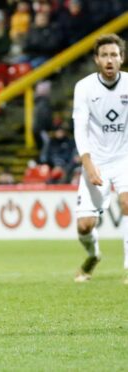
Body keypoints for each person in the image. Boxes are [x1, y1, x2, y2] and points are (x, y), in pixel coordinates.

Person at [72, 34, 128, 284]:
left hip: (125, 157)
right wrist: (88, 164)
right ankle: (93, 255)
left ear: (122, 58)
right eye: (104, 55)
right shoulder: (84, 87)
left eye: (114, 55)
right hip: (95, 161)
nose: (109, 60)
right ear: (96, 59)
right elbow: (80, 128)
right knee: (85, 225)